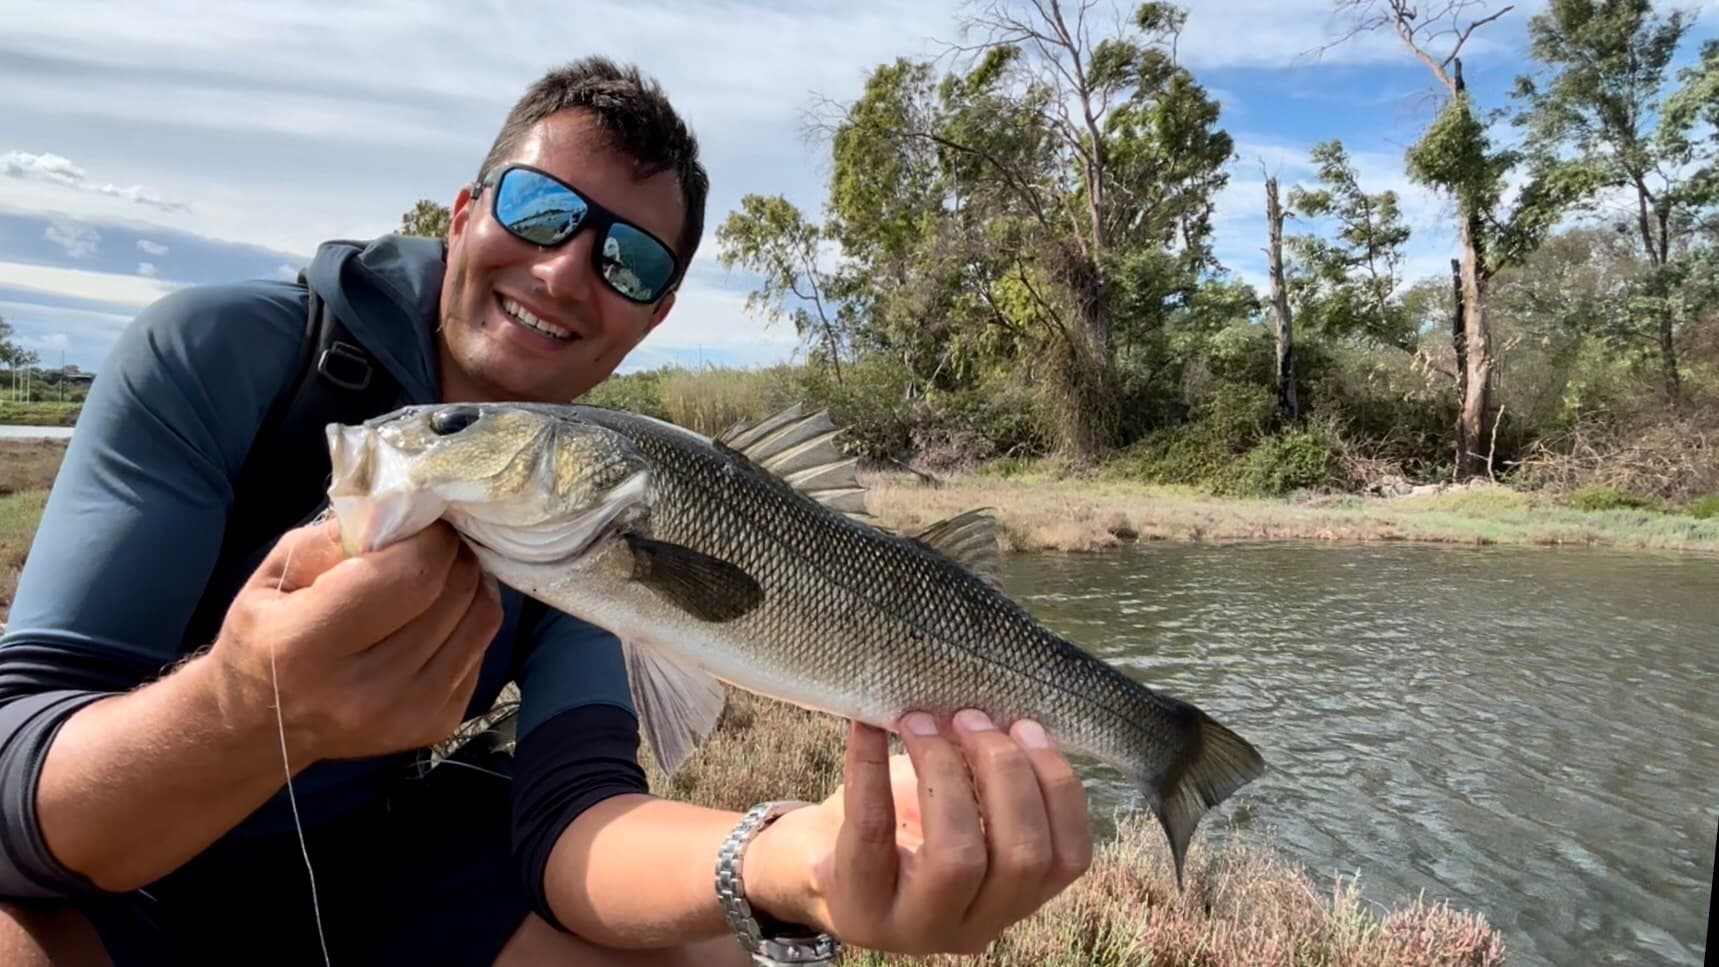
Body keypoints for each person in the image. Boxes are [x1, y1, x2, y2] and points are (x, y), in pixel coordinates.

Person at [0, 57, 1093, 966]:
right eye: (539, 208)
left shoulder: (596, 501)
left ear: (655, 316)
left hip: (381, 870)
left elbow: (576, 807)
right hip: (110, 887)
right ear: (463, 214)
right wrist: (244, 708)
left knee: (710, 953)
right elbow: (13, 778)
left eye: (629, 261)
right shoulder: (220, 353)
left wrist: (792, 864)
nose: (567, 272)